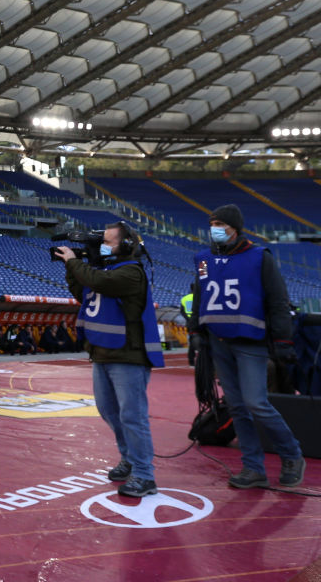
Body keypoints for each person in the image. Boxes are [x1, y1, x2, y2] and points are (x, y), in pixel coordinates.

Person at [187, 204, 305, 488]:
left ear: (235, 228)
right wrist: (195, 331)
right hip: (218, 342)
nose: (214, 229)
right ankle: (253, 468)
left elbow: (278, 300)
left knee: (256, 403)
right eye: (212, 223)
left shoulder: (259, 256)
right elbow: (200, 296)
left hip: (250, 341)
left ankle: (292, 455)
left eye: (220, 224)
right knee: (237, 407)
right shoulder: (203, 260)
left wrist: (283, 340)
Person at [58, 221, 163, 498]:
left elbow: (98, 282)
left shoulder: (131, 272)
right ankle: (129, 458)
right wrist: (72, 268)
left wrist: (74, 262)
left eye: (107, 241)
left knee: (132, 416)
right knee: (109, 412)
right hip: (103, 353)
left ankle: (144, 474)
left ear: (126, 245)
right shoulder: (105, 272)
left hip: (128, 355)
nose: (102, 246)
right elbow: (83, 291)